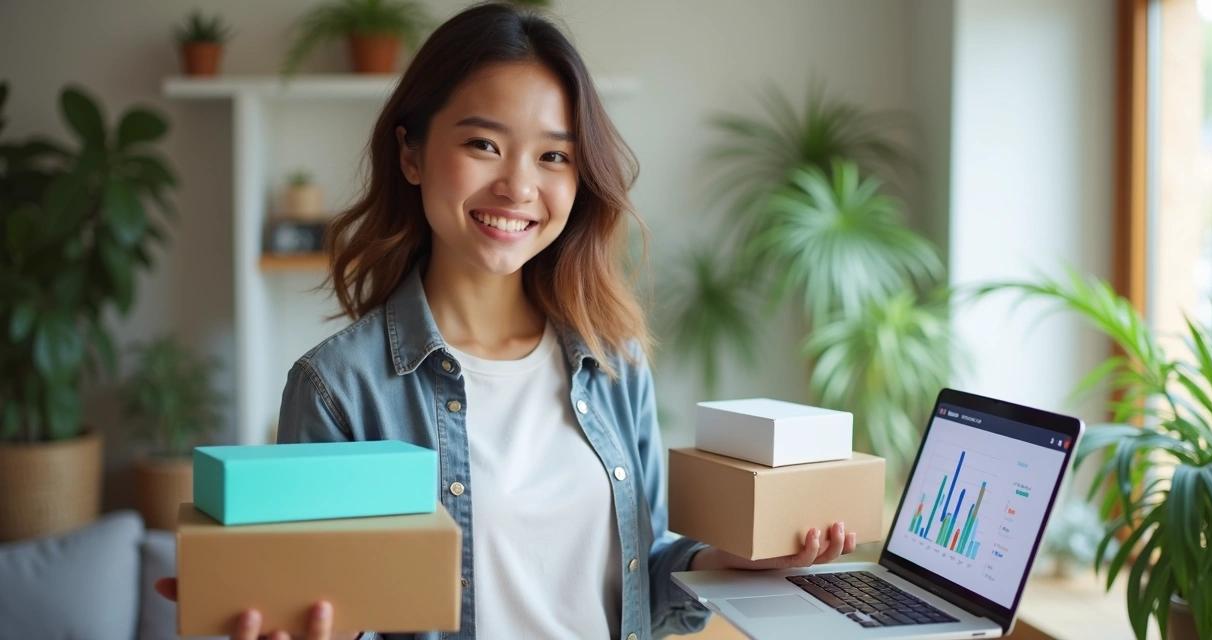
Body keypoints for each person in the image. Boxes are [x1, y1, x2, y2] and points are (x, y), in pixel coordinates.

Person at [156, 3, 857, 639]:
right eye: (484, 144)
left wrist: (724, 562)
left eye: (554, 155)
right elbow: (331, 601)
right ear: (411, 153)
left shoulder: (613, 364)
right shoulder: (338, 389)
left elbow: (645, 568)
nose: (519, 186)